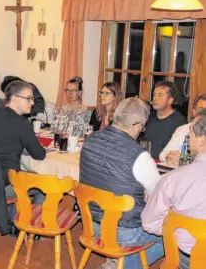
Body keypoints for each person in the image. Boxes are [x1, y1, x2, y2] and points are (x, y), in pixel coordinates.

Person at [80, 98, 163, 269]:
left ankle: (115, 264)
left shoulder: (90, 140)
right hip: (124, 232)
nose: (140, 131)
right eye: (142, 127)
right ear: (135, 124)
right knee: (171, 234)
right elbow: (159, 194)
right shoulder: (139, 156)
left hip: (91, 224)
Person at [142, 108, 206, 269]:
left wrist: (173, 231)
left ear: (202, 140)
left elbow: (149, 223)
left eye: (191, 132)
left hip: (190, 259)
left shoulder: (175, 178)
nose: (188, 136)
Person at [0, 79, 46, 225]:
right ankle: (24, 225)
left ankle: (12, 222)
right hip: (2, 186)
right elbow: (39, 154)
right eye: (28, 98)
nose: (32, 103)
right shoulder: (22, 123)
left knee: (19, 176)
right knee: (43, 185)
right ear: (14, 99)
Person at [142, 81, 187, 159]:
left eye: (160, 95)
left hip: (165, 165)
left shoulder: (180, 123)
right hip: (146, 162)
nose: (155, 98)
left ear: (170, 100)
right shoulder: (149, 116)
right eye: (154, 95)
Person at [160, 93, 206, 164]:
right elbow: (163, 154)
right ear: (194, 112)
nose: (204, 114)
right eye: (201, 110)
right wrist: (171, 157)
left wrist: (185, 160)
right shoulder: (183, 129)